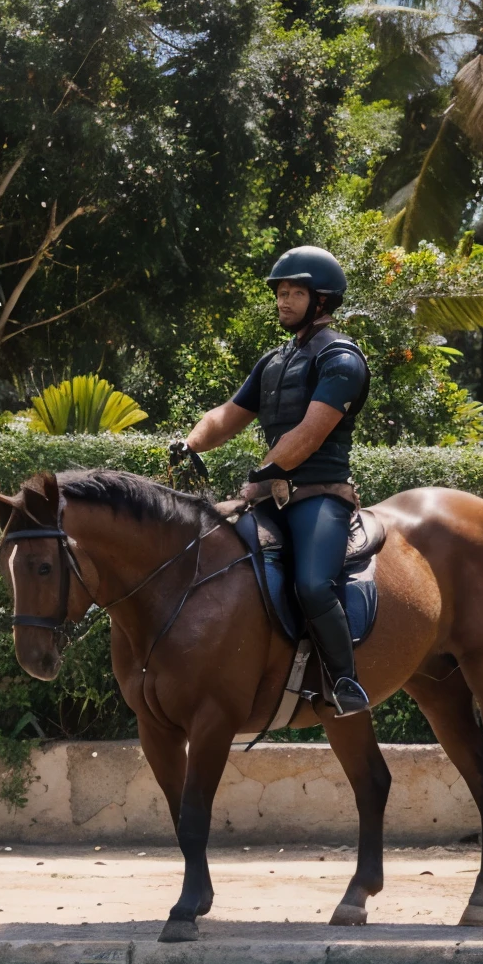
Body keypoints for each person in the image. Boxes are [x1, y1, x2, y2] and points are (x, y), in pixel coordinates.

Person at [171, 245, 372, 716]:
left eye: (294, 293)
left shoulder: (342, 359)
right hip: (271, 497)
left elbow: (309, 434)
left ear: (321, 300)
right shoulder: (274, 362)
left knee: (312, 584)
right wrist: (190, 443)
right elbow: (227, 416)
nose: (283, 301)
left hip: (319, 497)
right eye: (280, 292)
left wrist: (260, 476)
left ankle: (346, 682)